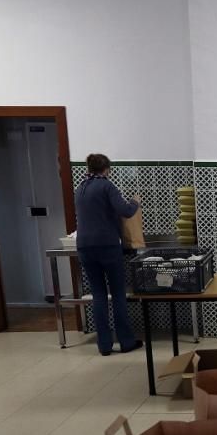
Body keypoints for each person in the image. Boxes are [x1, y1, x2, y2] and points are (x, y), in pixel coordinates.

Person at [75, 153, 143, 356]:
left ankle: (104, 345)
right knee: (118, 294)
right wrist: (135, 202)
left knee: (98, 295)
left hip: (84, 247)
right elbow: (126, 211)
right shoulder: (106, 186)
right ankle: (126, 341)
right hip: (107, 245)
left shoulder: (81, 188)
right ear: (107, 169)